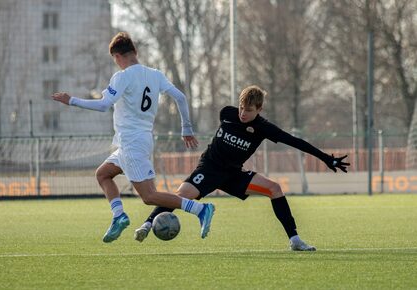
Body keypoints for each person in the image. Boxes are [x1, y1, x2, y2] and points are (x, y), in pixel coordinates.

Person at [134, 85, 349, 251]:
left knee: (275, 189)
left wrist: (325, 158)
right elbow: (231, 119)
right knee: (181, 195)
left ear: (259, 109)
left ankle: (294, 240)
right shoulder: (227, 113)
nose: (242, 113)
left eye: (248, 110)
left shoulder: (263, 128)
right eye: (241, 107)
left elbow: (295, 141)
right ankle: (147, 224)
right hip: (209, 168)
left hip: (233, 174)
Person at [52, 32, 214, 243]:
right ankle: (119, 216)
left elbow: (103, 105)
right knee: (103, 174)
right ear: (135, 52)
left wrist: (71, 100)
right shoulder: (155, 74)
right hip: (140, 140)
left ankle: (200, 209)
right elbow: (181, 97)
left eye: (115, 60)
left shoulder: (123, 76)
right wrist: (186, 128)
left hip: (131, 143)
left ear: (117, 56)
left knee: (149, 196)